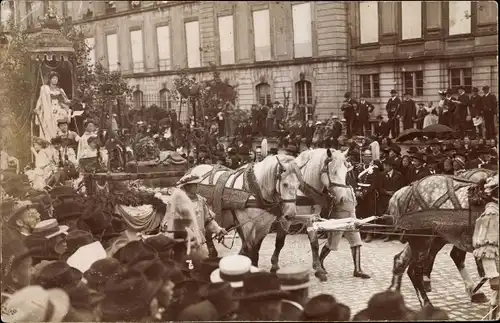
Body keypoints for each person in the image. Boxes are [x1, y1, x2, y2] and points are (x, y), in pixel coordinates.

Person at [35, 71, 72, 141]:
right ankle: (49, 141)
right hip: (49, 109)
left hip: (59, 109)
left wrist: (72, 102)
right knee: (48, 125)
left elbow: (65, 101)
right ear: (50, 79)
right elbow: (40, 99)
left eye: (56, 79)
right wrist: (37, 108)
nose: (55, 80)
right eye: (53, 78)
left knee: (59, 124)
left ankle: (59, 141)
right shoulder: (45, 89)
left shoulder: (60, 90)